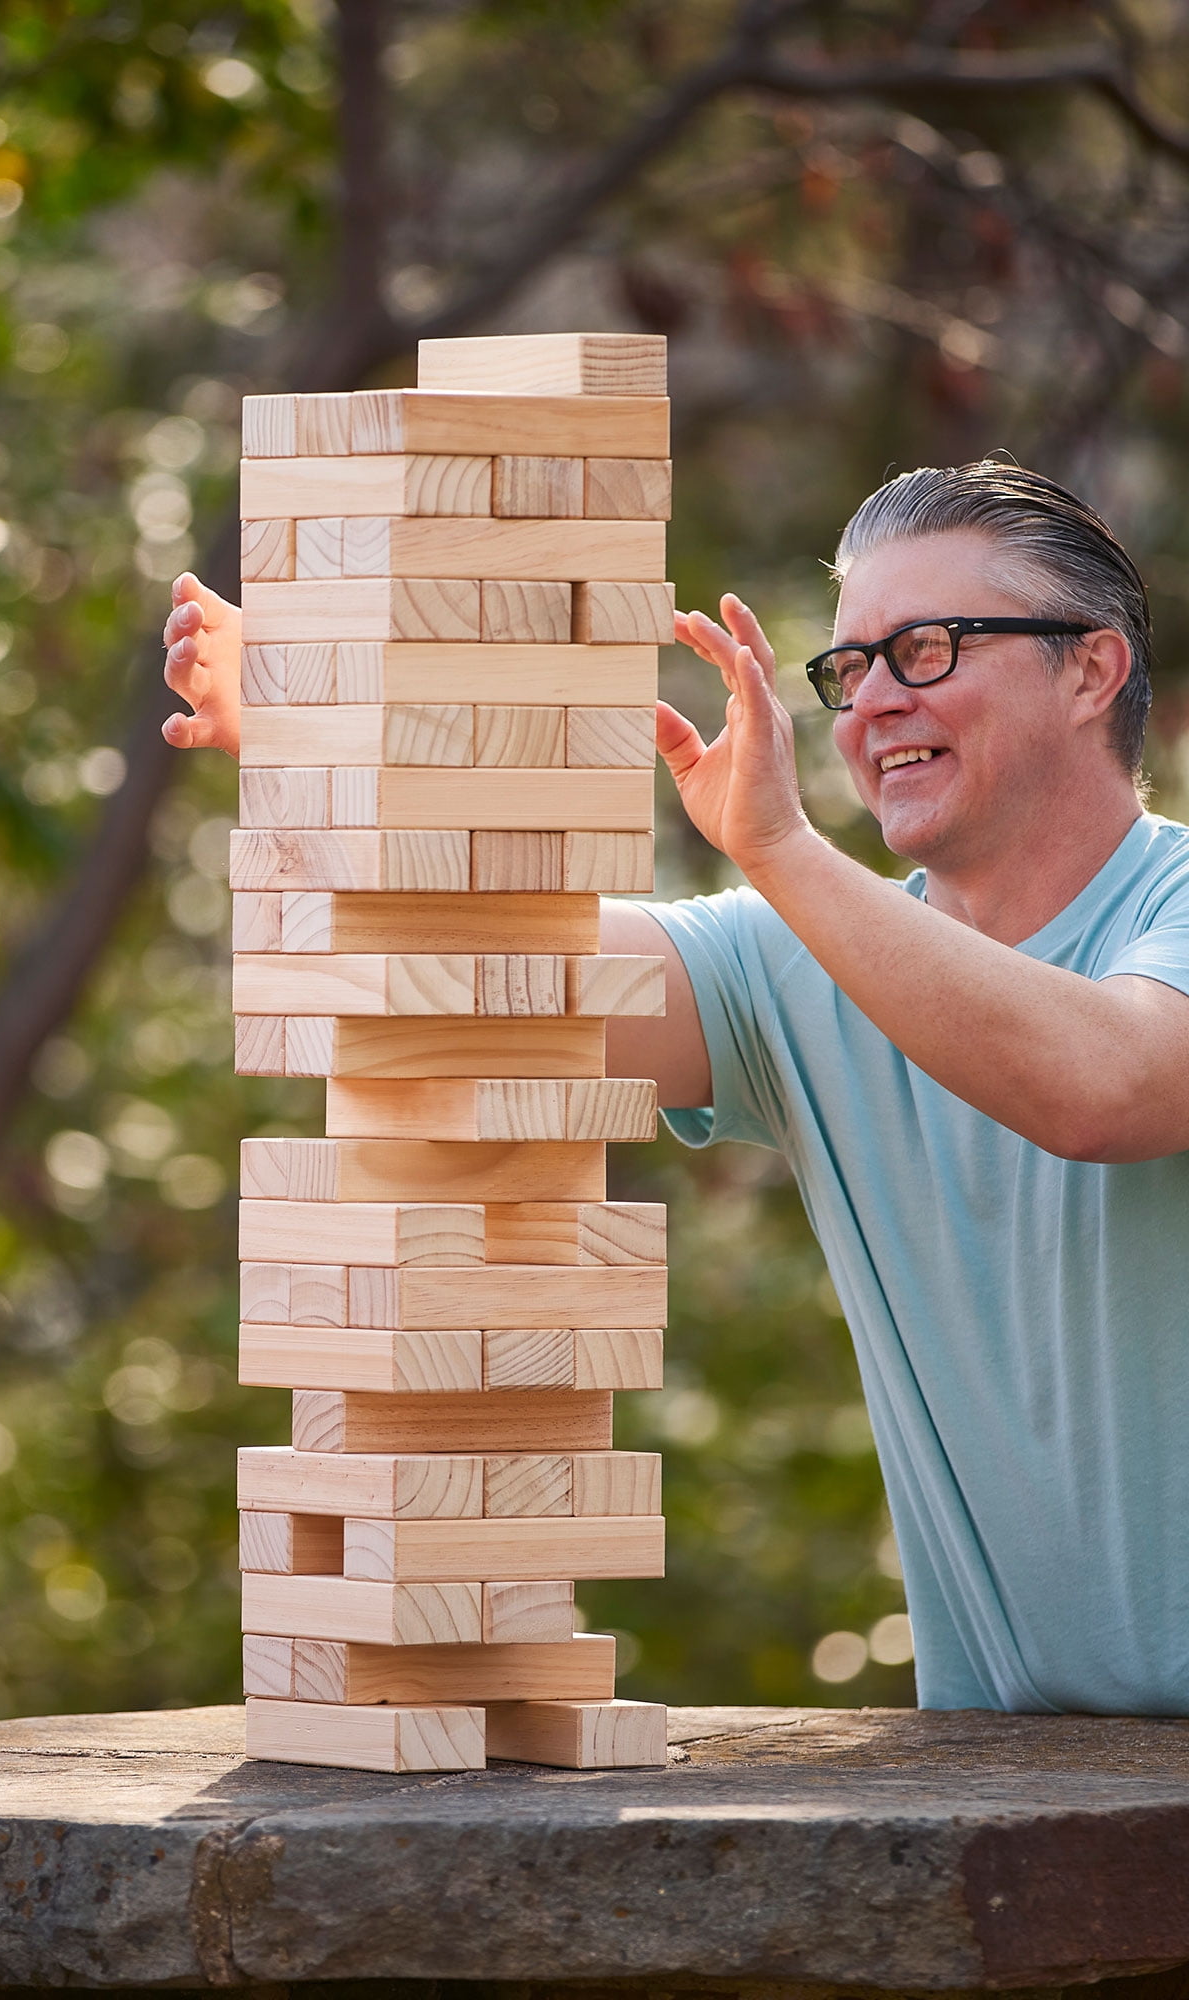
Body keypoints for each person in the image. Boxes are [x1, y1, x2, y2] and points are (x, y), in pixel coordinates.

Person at [164, 458, 1189, 1716]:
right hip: (1018, 1810)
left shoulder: (1163, 913)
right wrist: (317, 743)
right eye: (847, 666)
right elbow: (481, 988)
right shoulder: (799, 956)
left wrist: (777, 847)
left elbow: (1103, 1085)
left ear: (1090, 669)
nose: (868, 701)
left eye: (923, 648)